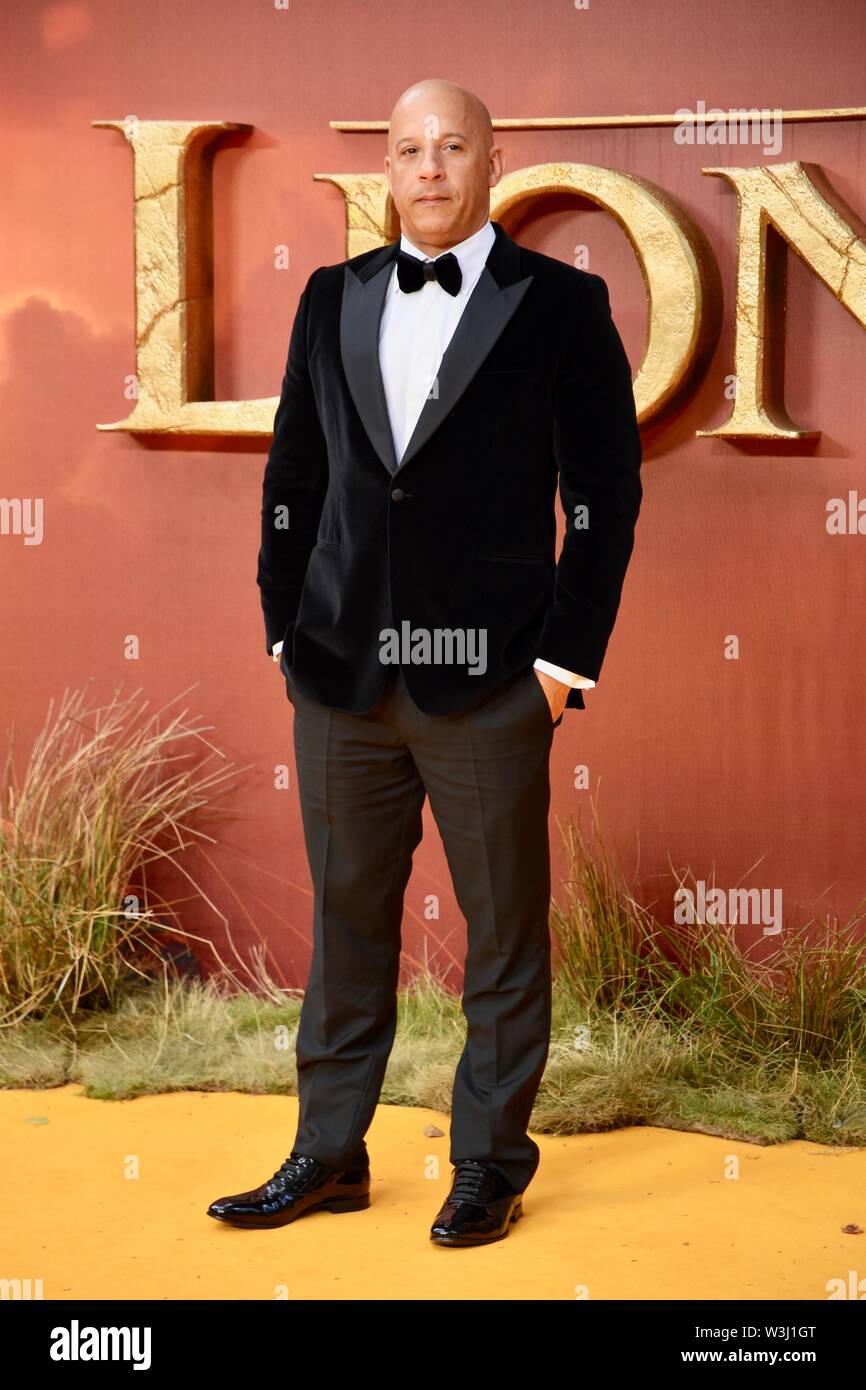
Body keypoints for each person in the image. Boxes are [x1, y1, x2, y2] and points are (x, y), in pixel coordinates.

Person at [208, 76, 642, 1247]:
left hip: (492, 677)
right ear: (385, 170)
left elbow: (603, 494)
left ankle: (489, 1162)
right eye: (408, 150)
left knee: (502, 935)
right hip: (340, 678)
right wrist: (281, 621)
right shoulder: (329, 297)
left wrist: (564, 661)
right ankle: (327, 1153)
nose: (431, 168)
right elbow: (292, 475)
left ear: (492, 157)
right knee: (346, 926)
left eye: (452, 145)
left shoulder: (562, 304)